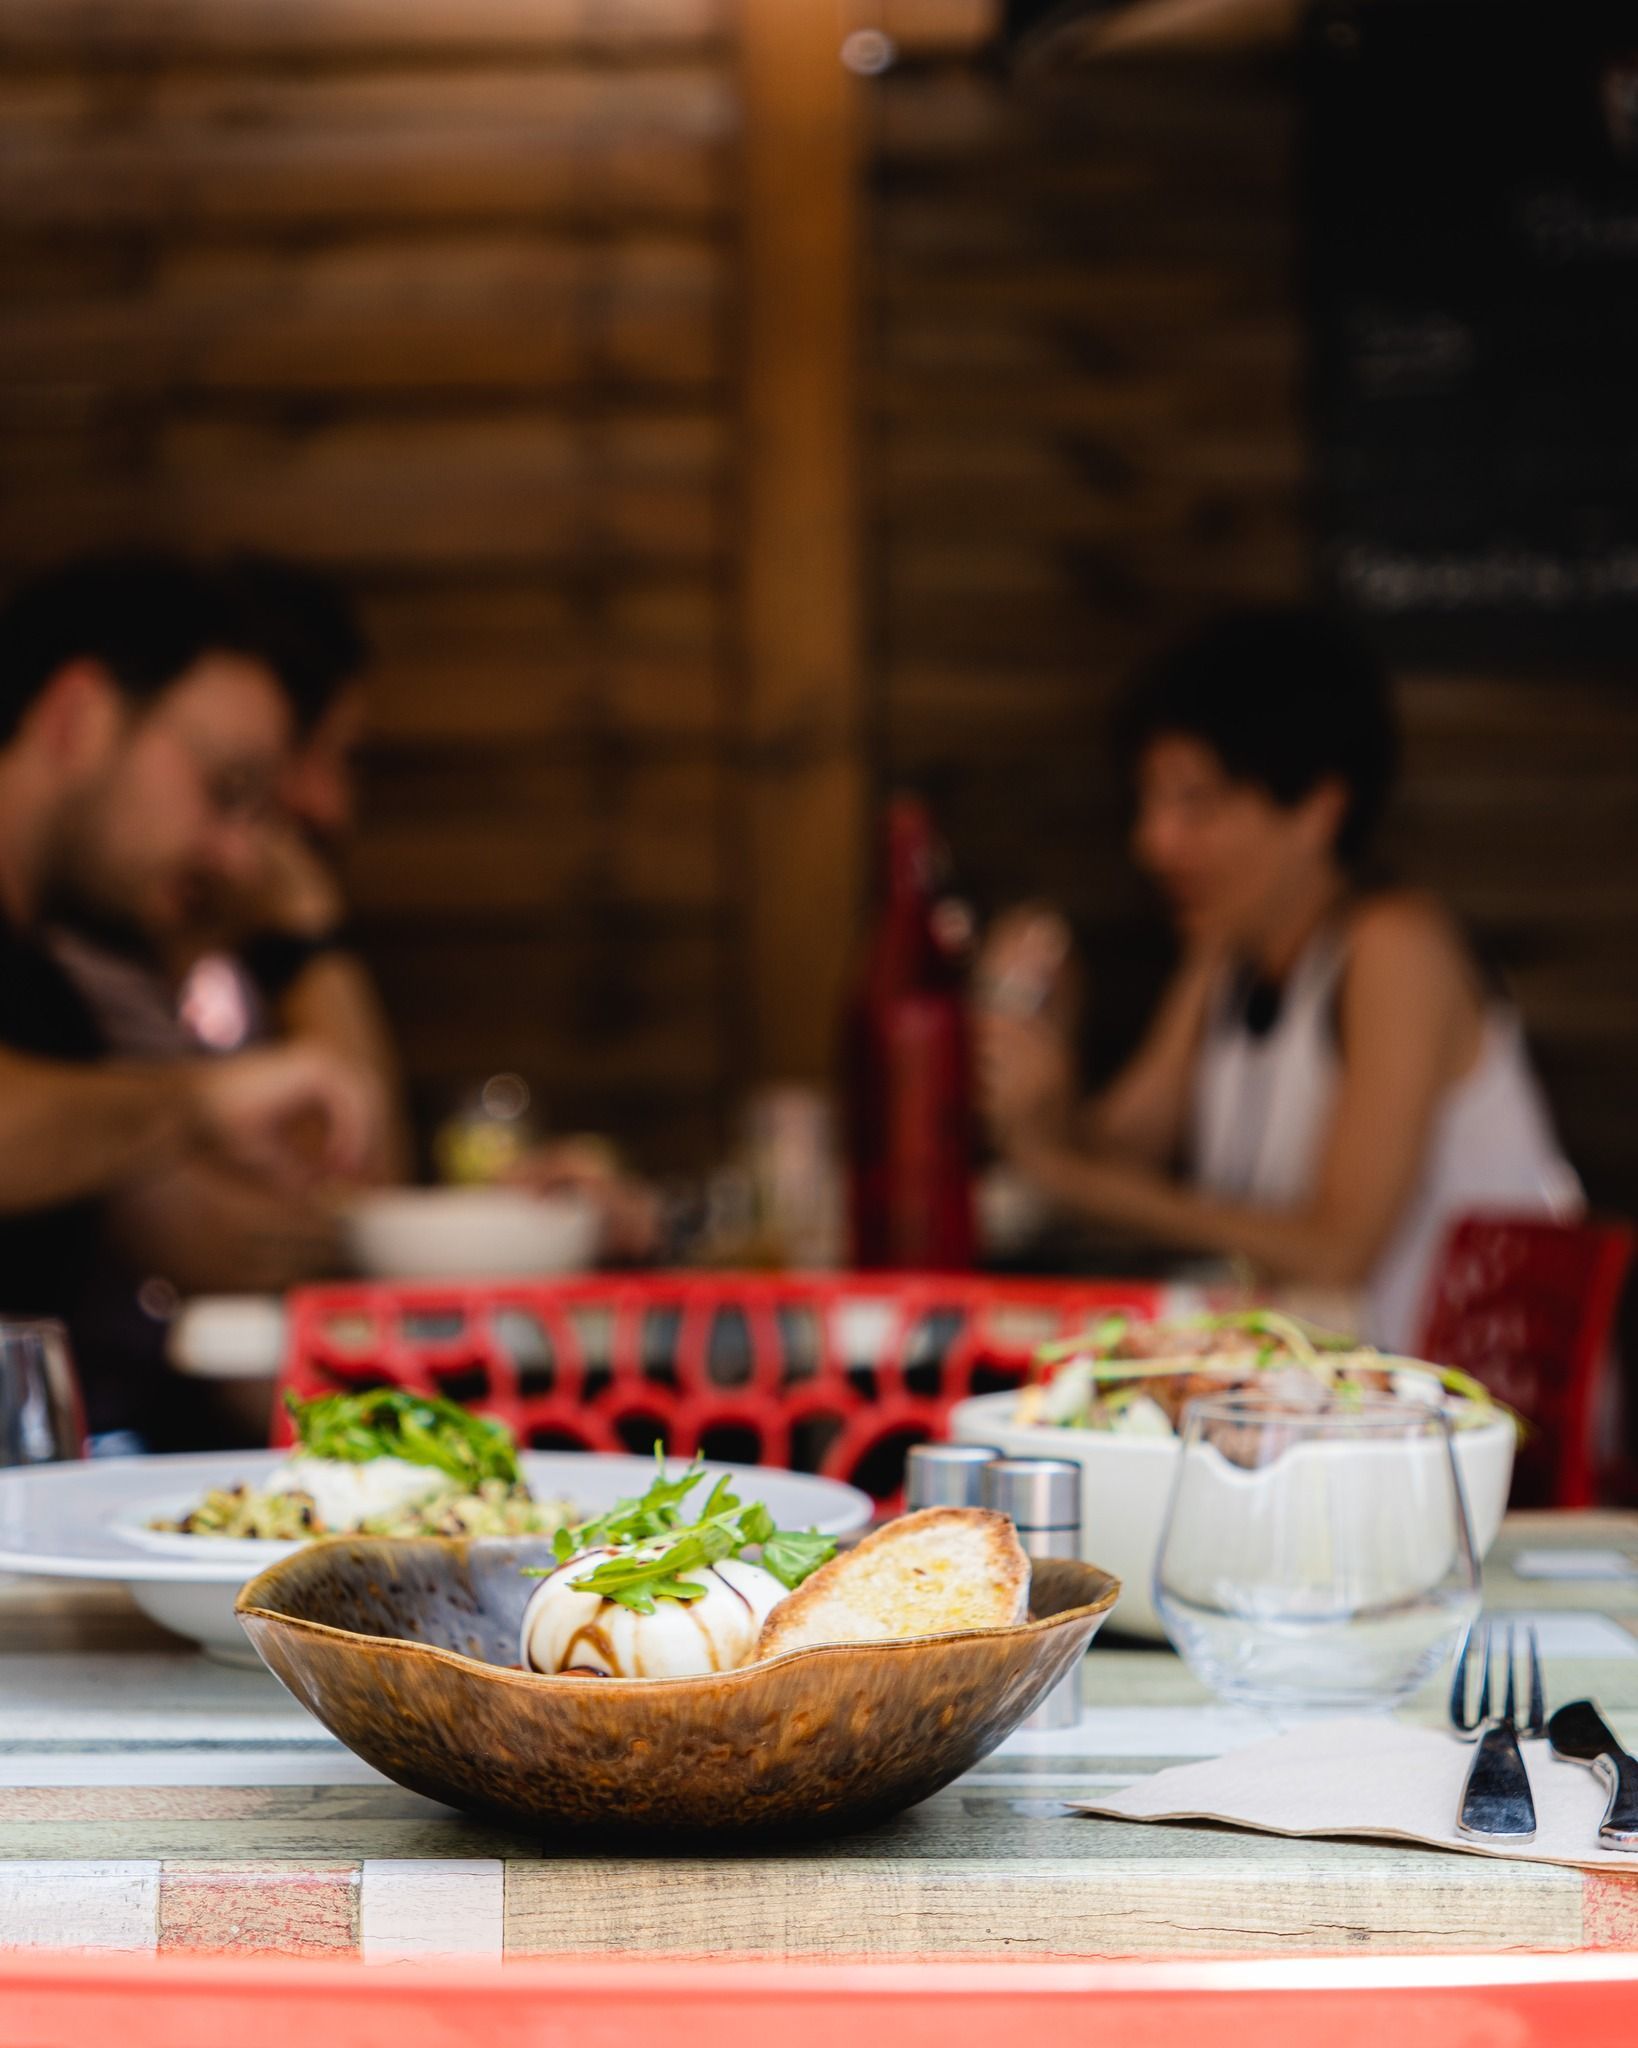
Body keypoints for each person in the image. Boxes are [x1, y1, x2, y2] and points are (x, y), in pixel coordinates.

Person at [975, 607, 1581, 1351]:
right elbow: (1115, 1153)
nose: (1153, 840)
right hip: (1298, 1406)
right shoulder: (1227, 956)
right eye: (1150, 802)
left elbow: (1336, 1252)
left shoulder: (1396, 947)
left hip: (1463, 1424)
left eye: (1194, 803)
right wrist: (1045, 1050)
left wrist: (1060, 1171)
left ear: (1318, 810)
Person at [0, 550, 371, 1442]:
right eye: (227, 787)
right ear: (79, 715)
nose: (244, 857)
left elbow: (257, 1236)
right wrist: (203, 1099)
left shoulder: (50, 992)